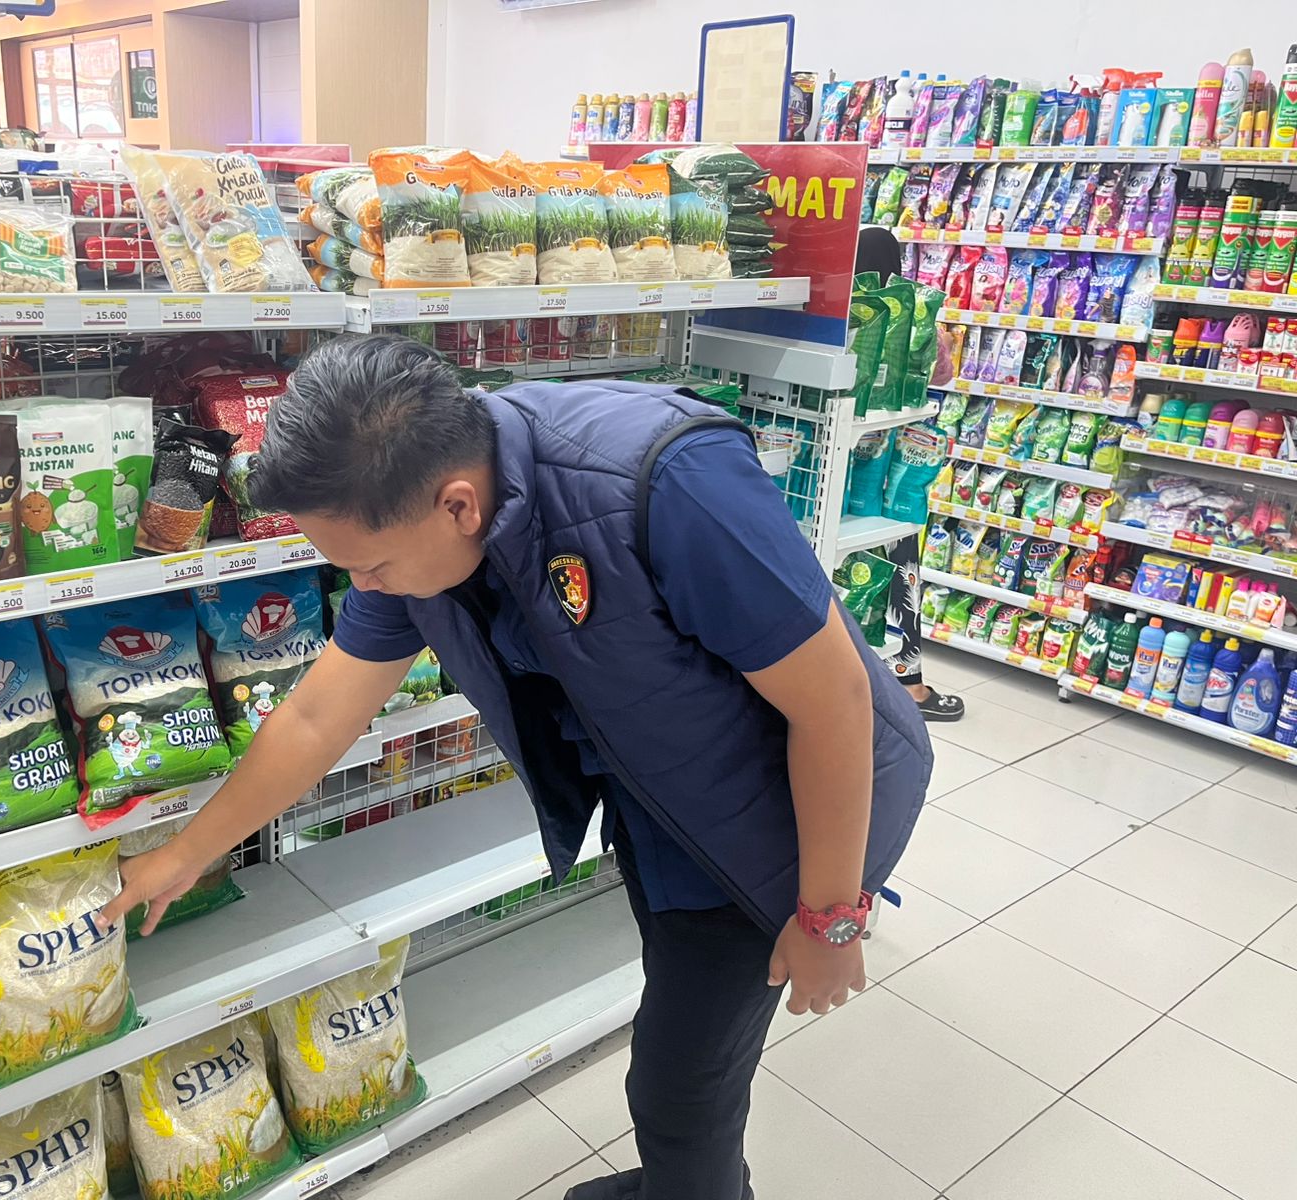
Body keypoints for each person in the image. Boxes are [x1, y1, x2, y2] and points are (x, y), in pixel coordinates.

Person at [99, 335, 932, 1200]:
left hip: (795, 810)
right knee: (681, 1035)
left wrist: (831, 917)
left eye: (370, 565)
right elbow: (316, 716)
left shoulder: (668, 481)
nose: (364, 585)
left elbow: (834, 704)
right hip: (664, 796)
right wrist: (186, 854)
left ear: (458, 506)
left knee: (680, 1088)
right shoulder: (418, 514)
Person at [856, 224, 965, 721]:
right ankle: (910, 684)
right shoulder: (918, 313)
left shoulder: (840, 312)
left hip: (839, 463)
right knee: (903, 564)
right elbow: (943, 374)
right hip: (899, 463)